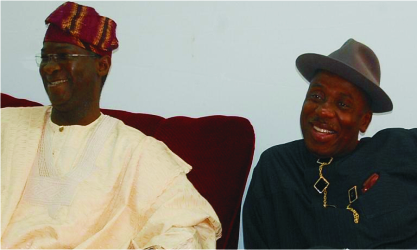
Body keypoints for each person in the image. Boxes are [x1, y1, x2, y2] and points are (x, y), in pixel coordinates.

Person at [1, 2, 221, 248]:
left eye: (64, 56)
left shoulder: (137, 153)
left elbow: (188, 228)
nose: (49, 67)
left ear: (102, 65)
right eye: (45, 57)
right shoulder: (6, 125)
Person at [243, 39, 416, 249]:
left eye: (343, 104)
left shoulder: (395, 152)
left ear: (364, 121)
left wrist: (381, 195)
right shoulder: (278, 167)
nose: (323, 111)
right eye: (316, 96)